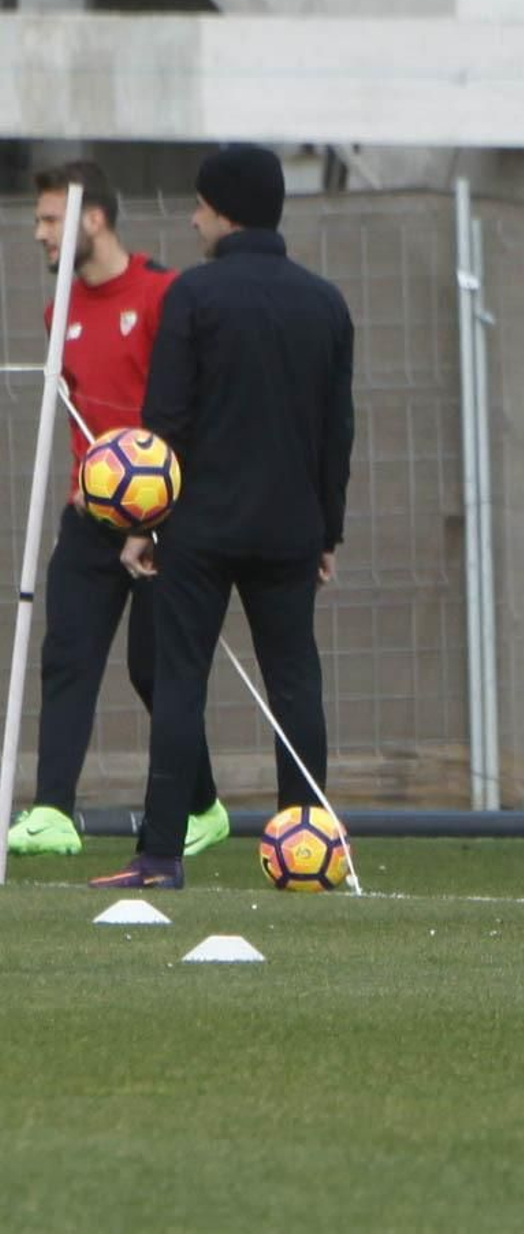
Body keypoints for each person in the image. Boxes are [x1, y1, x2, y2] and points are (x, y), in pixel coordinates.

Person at [90, 144, 354, 889]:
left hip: (199, 527)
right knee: (295, 683)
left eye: (201, 205)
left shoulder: (193, 296)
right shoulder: (325, 303)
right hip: (291, 527)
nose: (194, 218)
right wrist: (328, 531)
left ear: (226, 212)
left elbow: (166, 420)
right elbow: (337, 431)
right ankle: (308, 845)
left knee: (181, 682)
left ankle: (160, 855)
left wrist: (143, 526)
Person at [6, 161, 227, 860]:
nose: (40, 234)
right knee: (66, 652)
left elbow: (188, 403)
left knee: (152, 667)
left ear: (92, 219)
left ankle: (204, 806)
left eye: (50, 220)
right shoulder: (59, 312)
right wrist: (88, 478)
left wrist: (164, 502)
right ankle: (53, 811)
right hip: (90, 518)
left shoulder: (164, 294)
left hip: (163, 519)